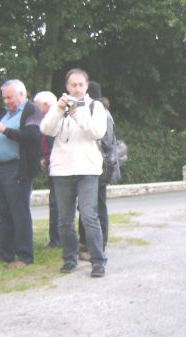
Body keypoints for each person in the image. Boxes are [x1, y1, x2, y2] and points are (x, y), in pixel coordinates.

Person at [40, 69, 107, 277]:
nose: (77, 89)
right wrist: (59, 110)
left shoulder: (96, 107)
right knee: (65, 220)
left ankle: (98, 260)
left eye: (80, 85)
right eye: (73, 85)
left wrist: (76, 113)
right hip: (62, 170)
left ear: (86, 86)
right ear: (67, 87)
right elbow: (46, 129)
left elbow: (97, 132)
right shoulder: (58, 108)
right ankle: (70, 258)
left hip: (88, 169)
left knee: (89, 216)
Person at [0, 79, 42, 268]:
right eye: (4, 98)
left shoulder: (31, 111)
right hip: (0, 169)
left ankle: (24, 256)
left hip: (17, 168)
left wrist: (4, 129)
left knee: (19, 212)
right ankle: (5, 253)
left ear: (22, 95)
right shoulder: (6, 114)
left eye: (9, 97)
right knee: (4, 212)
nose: (6, 101)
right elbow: (2, 138)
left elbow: (33, 136)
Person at [78, 81, 120, 258]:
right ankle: (86, 242)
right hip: (91, 165)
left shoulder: (101, 112)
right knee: (87, 205)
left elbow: (105, 141)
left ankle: (99, 245)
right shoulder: (94, 110)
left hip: (100, 166)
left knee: (98, 206)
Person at [33, 91, 60, 249]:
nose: (35, 109)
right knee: (55, 203)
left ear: (45, 105)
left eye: (37, 106)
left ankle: (57, 240)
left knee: (56, 204)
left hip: (59, 167)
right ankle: (57, 239)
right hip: (52, 164)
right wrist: (44, 157)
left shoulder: (57, 117)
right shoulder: (47, 119)